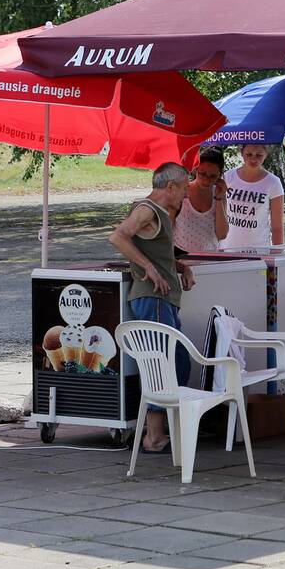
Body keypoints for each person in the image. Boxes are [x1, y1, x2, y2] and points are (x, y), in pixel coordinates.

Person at [109, 162, 195, 453]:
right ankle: (154, 436)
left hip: (162, 298)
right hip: (153, 298)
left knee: (176, 360)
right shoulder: (148, 209)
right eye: (184, 189)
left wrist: (182, 267)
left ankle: (160, 431)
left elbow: (158, 253)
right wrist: (148, 268)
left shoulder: (156, 212)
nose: (186, 195)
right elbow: (118, 236)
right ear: (170, 187)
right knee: (162, 363)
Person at [221, 144, 285, 250]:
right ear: (242, 153)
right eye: (249, 154)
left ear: (266, 154)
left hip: (258, 249)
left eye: (259, 155)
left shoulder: (273, 183)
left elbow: (277, 226)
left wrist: (277, 253)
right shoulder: (228, 177)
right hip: (227, 247)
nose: (253, 159)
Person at [174, 148, 229, 252]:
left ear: (220, 175)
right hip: (180, 253)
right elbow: (168, 226)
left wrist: (218, 199)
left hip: (208, 256)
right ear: (196, 169)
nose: (206, 180)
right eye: (202, 174)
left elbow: (222, 234)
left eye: (213, 176)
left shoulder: (219, 194)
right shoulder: (183, 191)